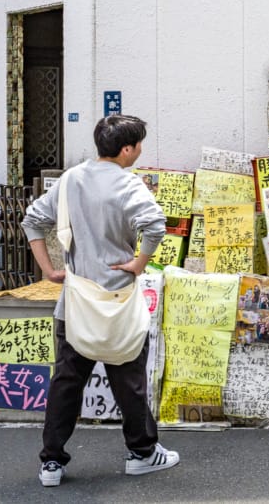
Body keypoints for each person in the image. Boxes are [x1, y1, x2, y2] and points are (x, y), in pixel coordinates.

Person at [21, 115, 180, 487]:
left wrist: (49, 270)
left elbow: (33, 220)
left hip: (76, 300)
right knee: (129, 382)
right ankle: (142, 453)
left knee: (66, 383)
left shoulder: (71, 178)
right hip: (117, 300)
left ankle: (51, 463)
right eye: (139, 144)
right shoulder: (129, 184)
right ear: (126, 149)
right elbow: (155, 224)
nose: (140, 150)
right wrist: (139, 264)